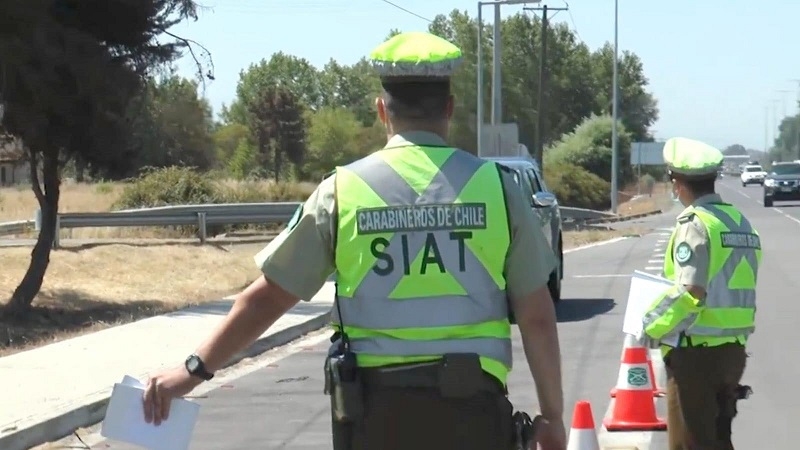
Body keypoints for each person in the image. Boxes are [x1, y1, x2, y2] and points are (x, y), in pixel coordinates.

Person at [141, 31, 566, 450]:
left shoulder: (342, 192)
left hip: (375, 417)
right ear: (450, 108)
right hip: (474, 414)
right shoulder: (499, 188)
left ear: (382, 111)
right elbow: (537, 316)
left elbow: (267, 299)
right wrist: (552, 417)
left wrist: (191, 371)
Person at [642, 137, 761, 450]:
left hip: (697, 356)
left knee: (689, 443)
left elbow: (691, 290)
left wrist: (650, 324)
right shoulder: (740, 222)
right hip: (733, 352)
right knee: (719, 440)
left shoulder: (696, 224)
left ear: (677, 183)